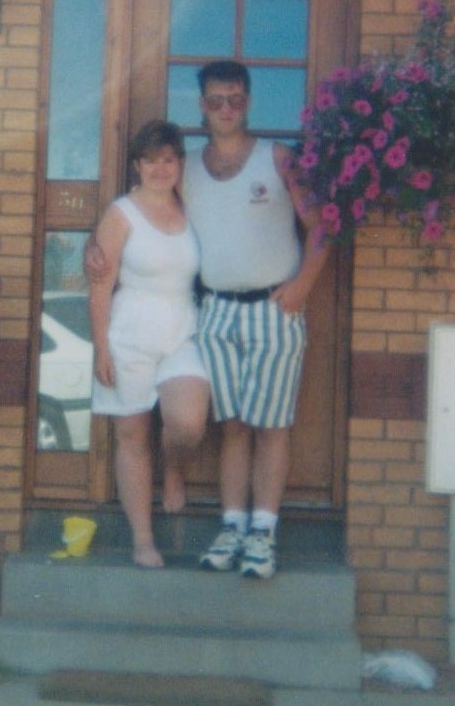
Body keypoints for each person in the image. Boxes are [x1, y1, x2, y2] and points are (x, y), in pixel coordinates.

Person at [88, 61, 330, 580]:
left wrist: (304, 284)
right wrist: (95, 245)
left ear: (248, 102)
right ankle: (232, 527)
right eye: (215, 100)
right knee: (233, 425)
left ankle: (262, 534)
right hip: (215, 311)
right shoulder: (188, 169)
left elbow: (323, 226)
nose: (226, 108)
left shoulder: (278, 158)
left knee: (273, 424)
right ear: (201, 105)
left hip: (274, 308)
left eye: (235, 99)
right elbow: (141, 217)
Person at [88, 119, 211, 569]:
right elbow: (100, 284)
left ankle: (173, 469)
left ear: (179, 163)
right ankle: (143, 540)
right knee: (131, 434)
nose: (160, 169)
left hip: (183, 329)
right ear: (136, 166)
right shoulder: (121, 213)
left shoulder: (191, 205)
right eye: (150, 160)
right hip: (130, 333)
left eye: (169, 159)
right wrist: (101, 347)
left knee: (188, 421)